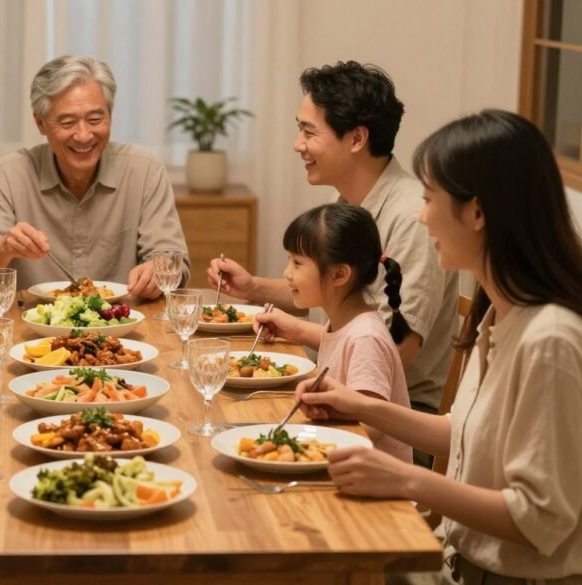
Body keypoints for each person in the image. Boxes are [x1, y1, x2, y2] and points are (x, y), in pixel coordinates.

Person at [296, 110, 582, 583]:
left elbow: (541, 517)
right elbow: (464, 432)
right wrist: (356, 405)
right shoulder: (500, 309)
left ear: (477, 212)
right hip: (460, 560)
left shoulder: (549, 338)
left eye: (430, 199)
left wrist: (404, 478)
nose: (422, 215)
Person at [209, 61, 457, 430]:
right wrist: (253, 288)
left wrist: (298, 331)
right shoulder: (350, 203)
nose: (298, 145)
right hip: (331, 383)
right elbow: (329, 289)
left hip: (394, 419)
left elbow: (390, 355)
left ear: (357, 139)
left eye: (309, 132)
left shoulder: (412, 219)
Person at [0, 54, 190, 297]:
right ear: (40, 124)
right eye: (67, 123)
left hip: (123, 326)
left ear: (110, 115)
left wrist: (158, 270)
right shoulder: (9, 175)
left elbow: (175, 264)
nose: (84, 135)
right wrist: (4, 248)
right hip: (33, 328)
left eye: (95, 119)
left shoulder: (145, 170)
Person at [251, 203, 413, 462]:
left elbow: (370, 427)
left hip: (373, 486)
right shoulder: (341, 323)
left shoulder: (365, 338)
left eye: (297, 263)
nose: (286, 273)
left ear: (339, 274)